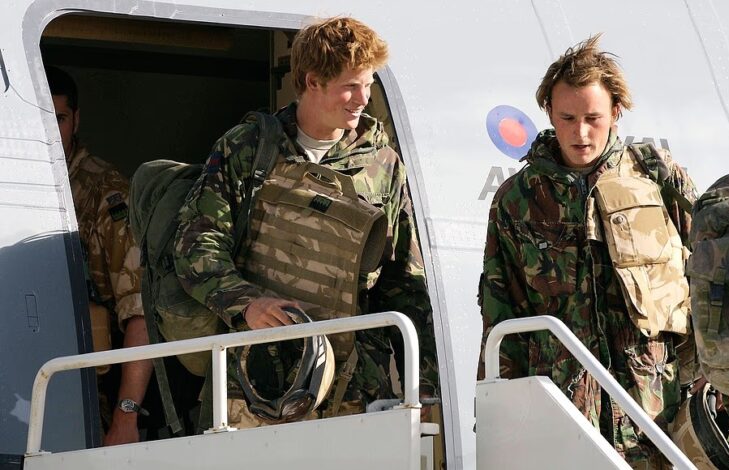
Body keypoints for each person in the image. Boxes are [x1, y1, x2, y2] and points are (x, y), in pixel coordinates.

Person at [174, 16, 438, 427]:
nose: (363, 98)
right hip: (256, 386)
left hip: (353, 391)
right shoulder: (249, 149)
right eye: (351, 86)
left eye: (368, 84)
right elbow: (196, 245)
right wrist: (247, 304)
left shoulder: (382, 165)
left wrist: (424, 385)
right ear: (313, 81)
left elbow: (405, 283)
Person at [478, 35, 697, 469]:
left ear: (616, 112)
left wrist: (717, 380)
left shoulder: (657, 180)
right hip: (562, 415)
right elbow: (501, 316)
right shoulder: (517, 200)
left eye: (593, 118)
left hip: (652, 415)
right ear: (549, 113)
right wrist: (497, 418)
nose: (580, 133)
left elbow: (705, 278)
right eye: (568, 118)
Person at [47, 66, 153, 445]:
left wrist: (125, 416)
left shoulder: (105, 194)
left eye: (58, 119)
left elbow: (140, 310)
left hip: (82, 394)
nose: (48, 130)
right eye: (39, 119)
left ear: (75, 120)